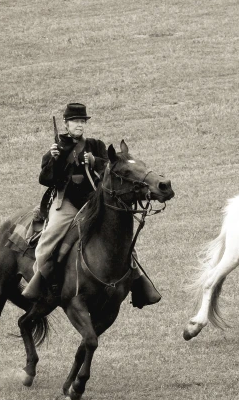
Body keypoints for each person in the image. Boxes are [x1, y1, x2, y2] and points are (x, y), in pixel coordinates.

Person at [22, 103, 162, 307]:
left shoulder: (95, 145)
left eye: (82, 121)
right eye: (75, 121)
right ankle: (41, 283)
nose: (79, 125)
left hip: (94, 202)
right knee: (48, 241)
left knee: (124, 243)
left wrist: (94, 160)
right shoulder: (55, 150)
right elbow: (45, 179)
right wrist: (54, 161)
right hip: (67, 203)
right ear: (66, 124)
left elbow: (113, 168)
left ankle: (138, 284)